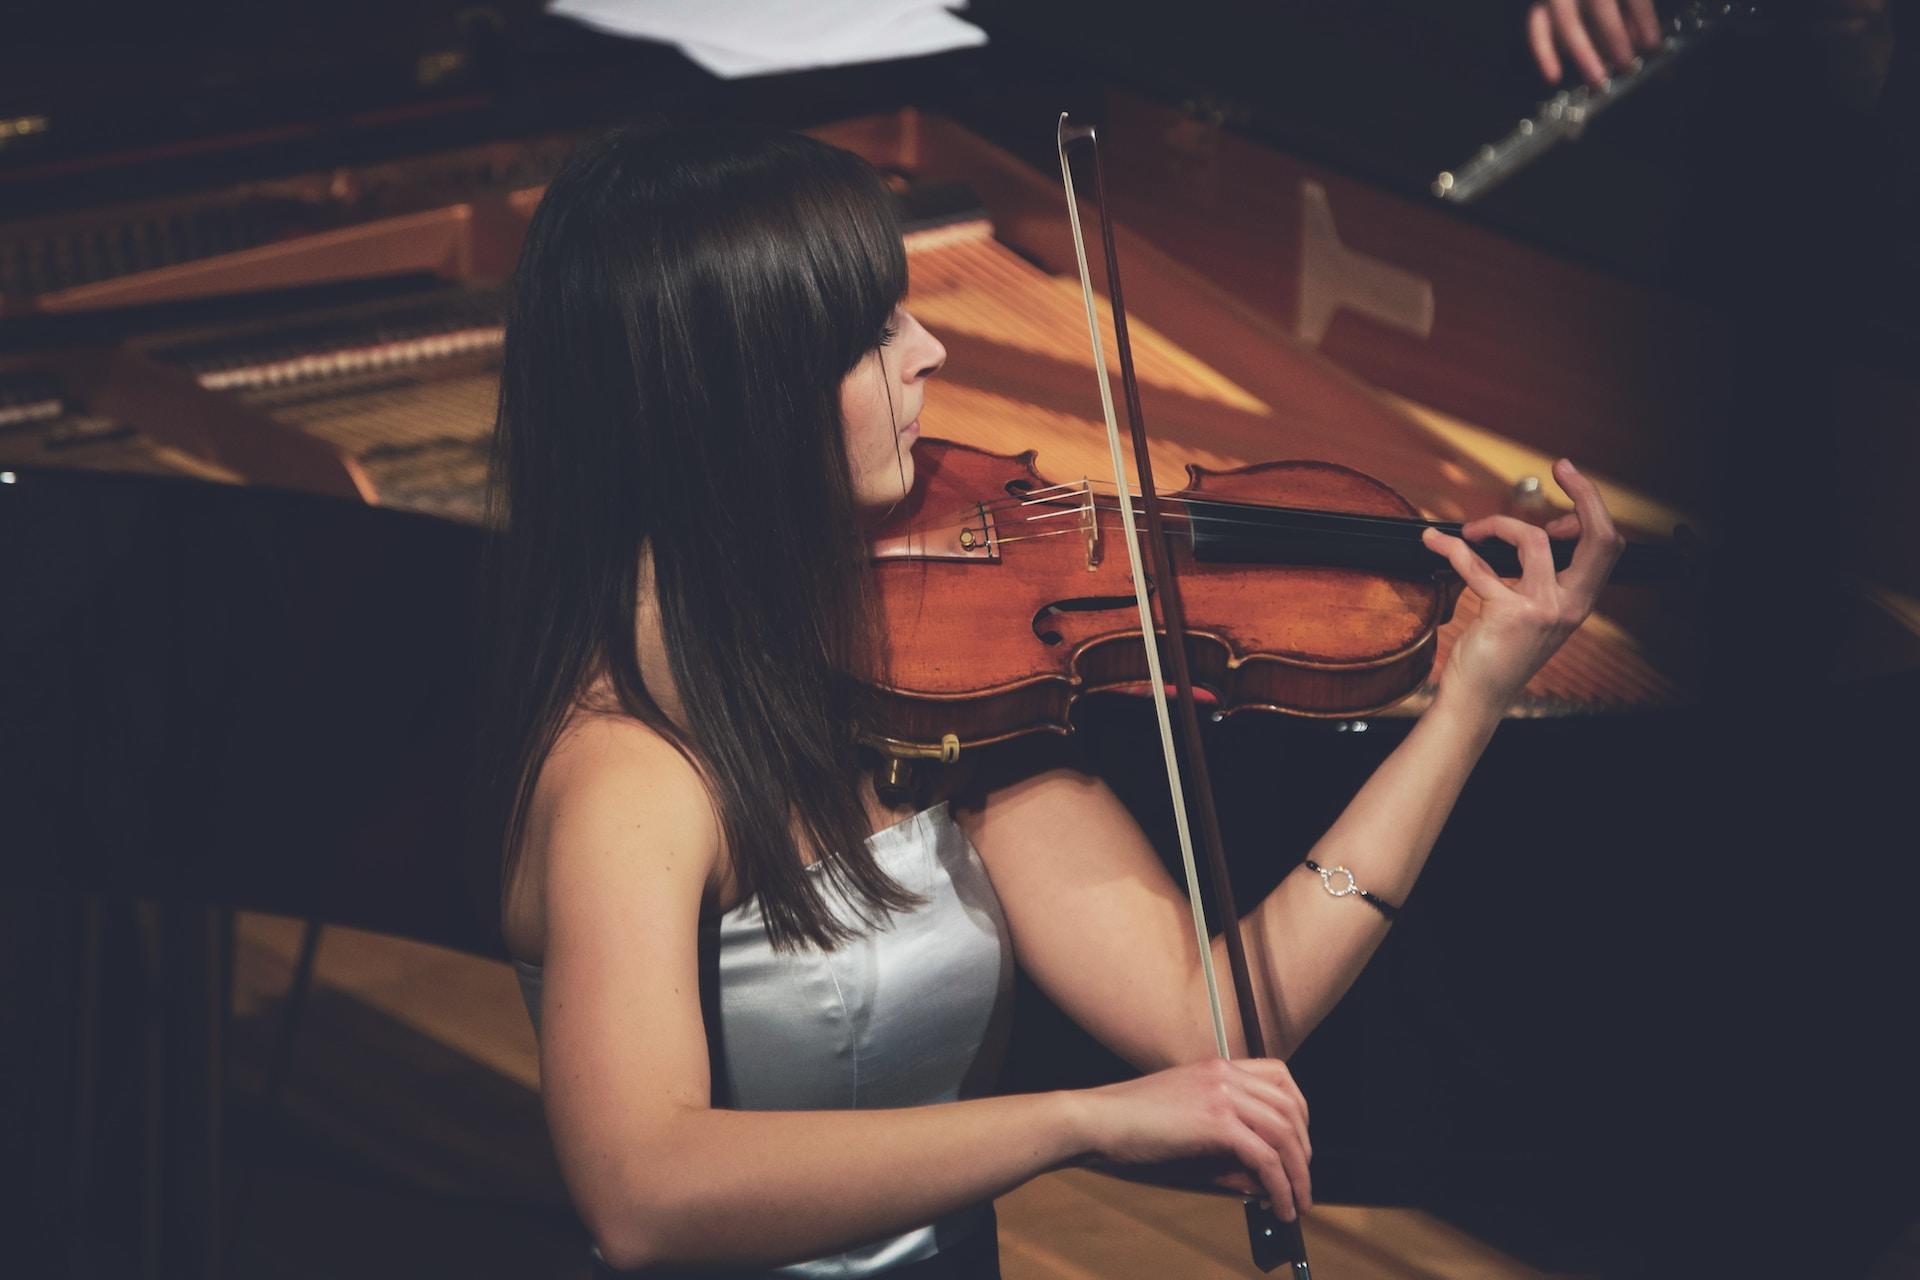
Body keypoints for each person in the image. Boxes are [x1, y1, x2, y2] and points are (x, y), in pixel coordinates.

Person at [469, 125, 1624, 1279]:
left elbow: (1208, 1012)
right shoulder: (631, 777)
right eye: (874, 331)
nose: (928, 349)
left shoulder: (929, 674)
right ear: (739, 398)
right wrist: (1078, 1121)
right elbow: (643, 1193)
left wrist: (1469, 703)